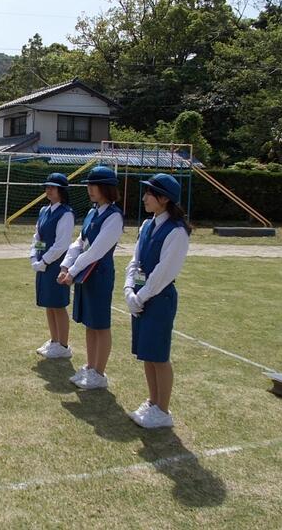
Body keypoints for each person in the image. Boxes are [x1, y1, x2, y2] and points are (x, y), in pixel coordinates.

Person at [124, 173, 191, 429]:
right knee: (148, 354)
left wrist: (139, 297)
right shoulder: (146, 225)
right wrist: (128, 289)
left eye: (149, 193)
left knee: (159, 356)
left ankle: (163, 411)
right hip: (141, 297)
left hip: (159, 298)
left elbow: (164, 273)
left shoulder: (177, 232)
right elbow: (135, 260)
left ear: (164, 199)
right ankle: (153, 402)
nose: (144, 198)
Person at [58, 166, 124, 390]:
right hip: (84, 274)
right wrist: (65, 265)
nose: (90, 189)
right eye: (89, 185)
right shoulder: (92, 212)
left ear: (107, 188)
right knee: (89, 323)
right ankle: (90, 366)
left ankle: (99, 372)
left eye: (94, 185)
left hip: (100, 275)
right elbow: (79, 242)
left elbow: (96, 250)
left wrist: (72, 271)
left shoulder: (114, 216)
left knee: (100, 325)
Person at [31, 173, 75, 359]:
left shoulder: (66, 213)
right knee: (49, 304)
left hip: (56, 265)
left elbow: (62, 244)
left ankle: (63, 345)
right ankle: (54, 340)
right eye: (47, 187)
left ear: (61, 190)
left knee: (58, 304)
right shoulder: (44, 210)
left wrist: (44, 261)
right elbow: (37, 236)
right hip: (42, 263)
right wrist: (33, 256)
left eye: (52, 187)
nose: (48, 190)